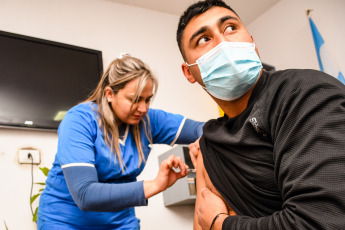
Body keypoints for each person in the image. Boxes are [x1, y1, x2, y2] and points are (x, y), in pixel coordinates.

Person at [176, 0, 345, 229]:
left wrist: (221, 223)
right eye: (204, 39)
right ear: (188, 72)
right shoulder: (210, 145)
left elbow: (320, 221)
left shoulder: (304, 92)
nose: (223, 43)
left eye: (230, 28)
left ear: (252, 43)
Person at [37, 54, 204, 229]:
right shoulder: (79, 120)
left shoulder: (147, 120)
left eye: (147, 99)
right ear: (109, 94)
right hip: (65, 221)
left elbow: (201, 129)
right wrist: (156, 184)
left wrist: (202, 142)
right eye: (135, 99)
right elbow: (85, 194)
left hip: (119, 221)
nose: (143, 108)